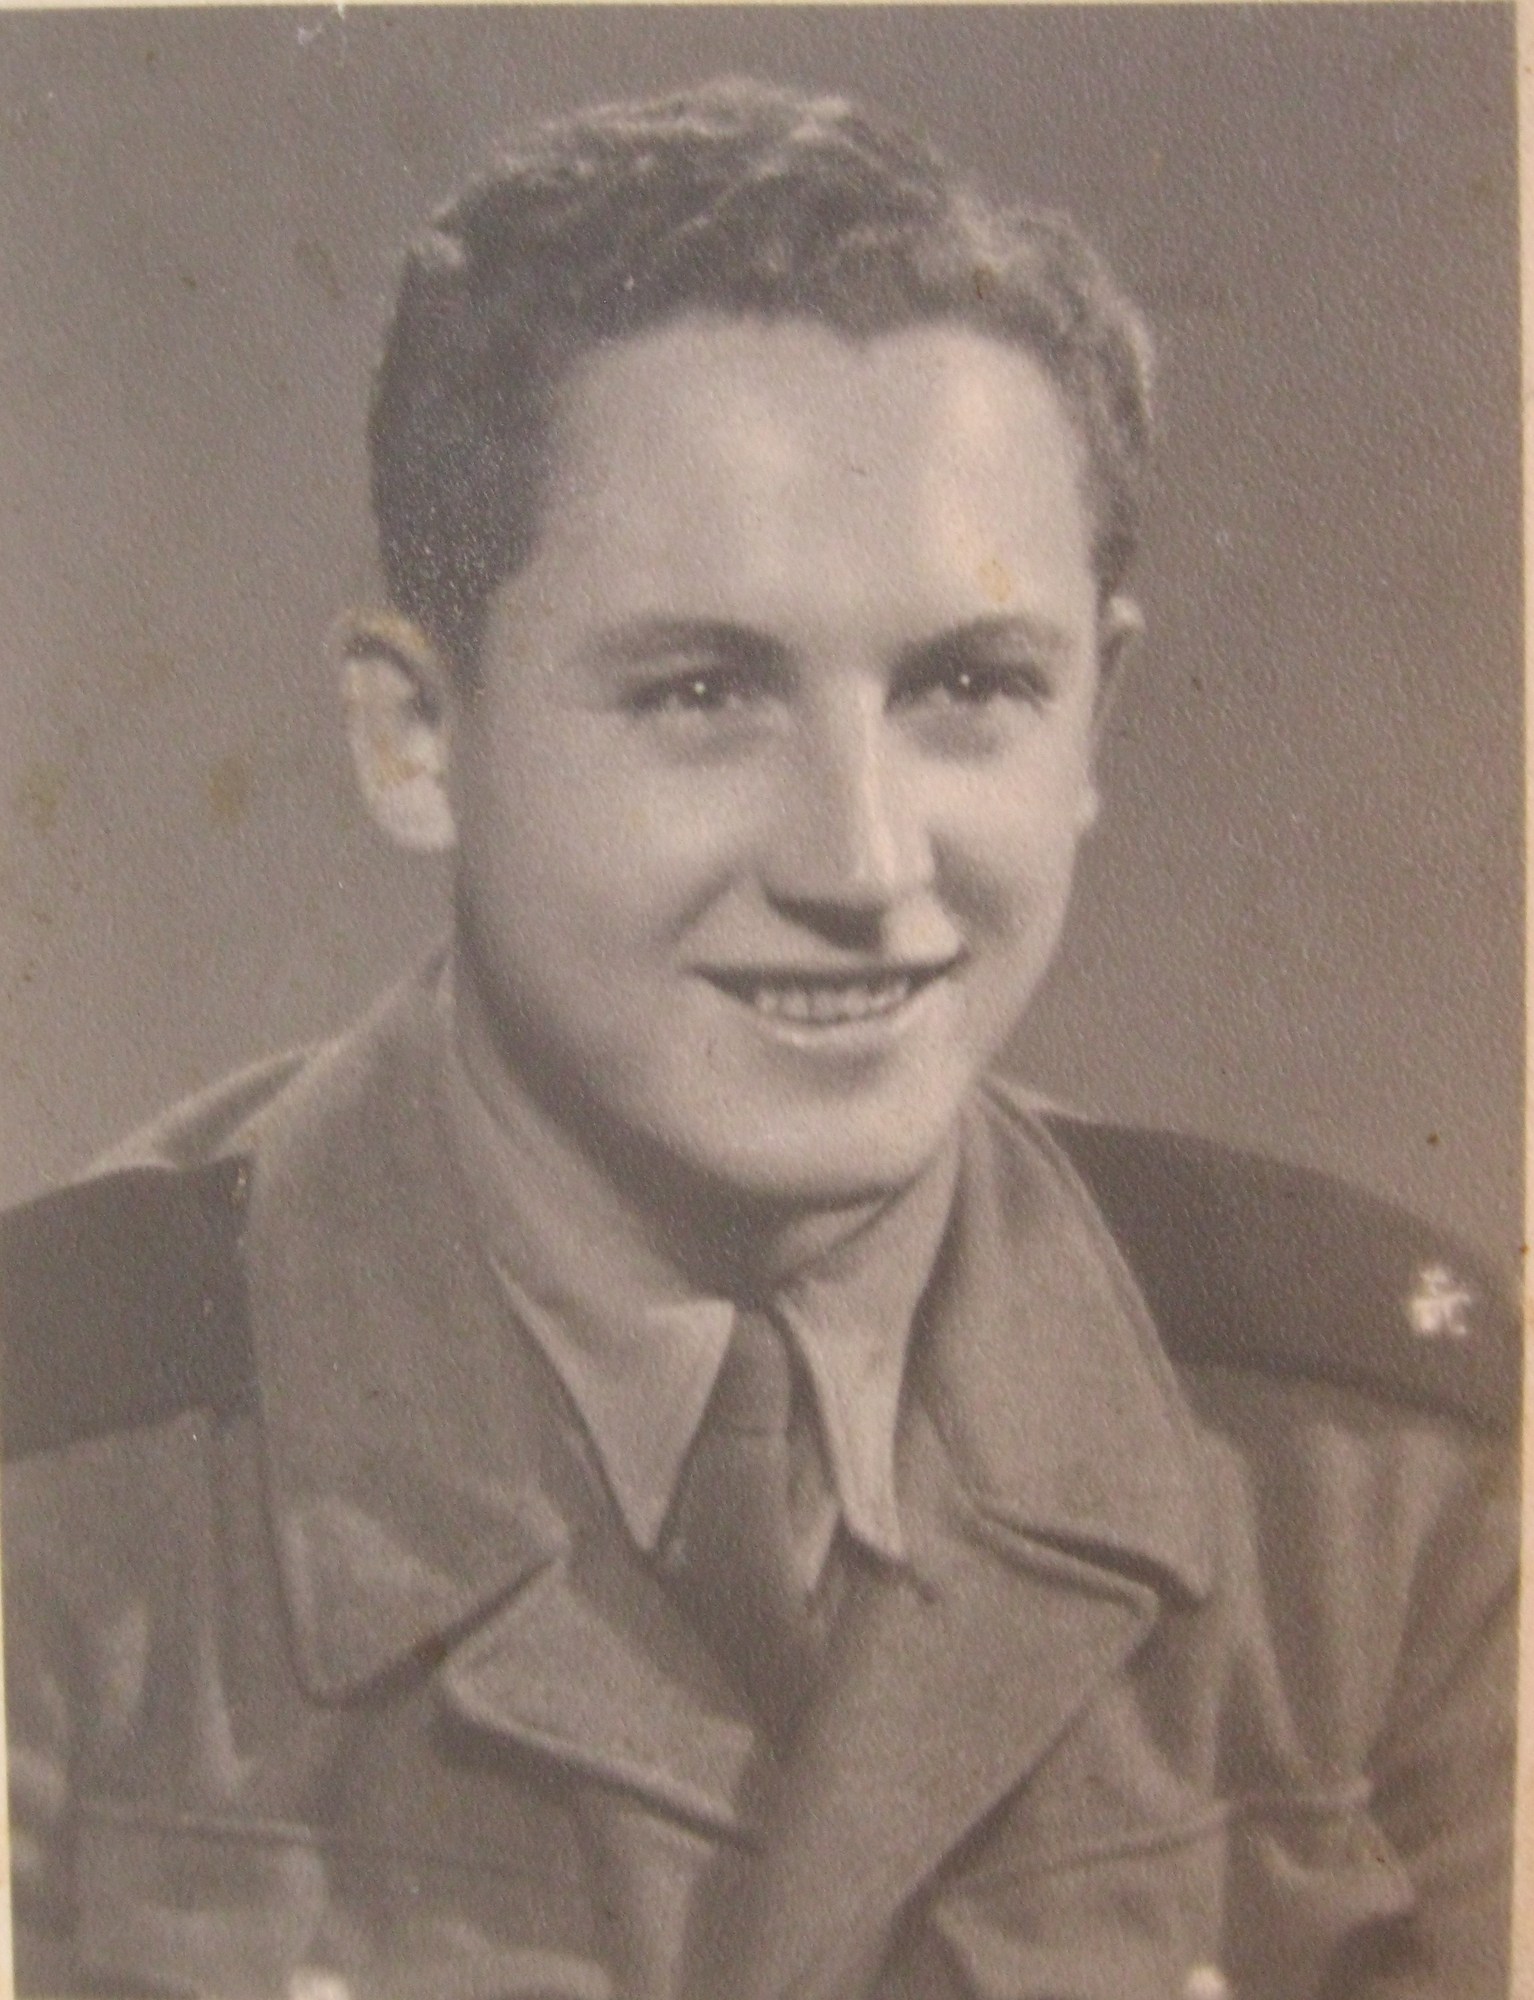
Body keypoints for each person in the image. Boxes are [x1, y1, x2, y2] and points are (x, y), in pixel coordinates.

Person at [1, 79, 1517, 2000]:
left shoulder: (1373, 1494)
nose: (862, 865)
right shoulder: (57, 1490)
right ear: (415, 735)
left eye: (968, 686)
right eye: (704, 692)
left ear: (1095, 720)